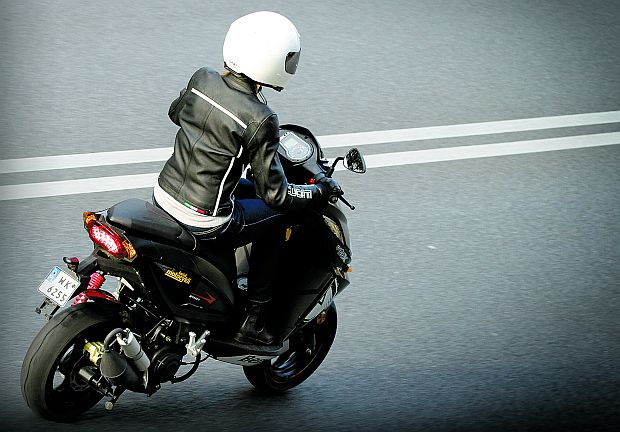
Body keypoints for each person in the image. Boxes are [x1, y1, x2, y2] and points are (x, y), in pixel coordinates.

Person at [153, 11, 339, 345]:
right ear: (272, 61)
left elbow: (175, 113)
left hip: (163, 194)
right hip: (206, 220)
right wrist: (319, 191)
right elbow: (276, 196)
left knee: (248, 191)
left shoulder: (202, 78)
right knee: (282, 216)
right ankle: (254, 319)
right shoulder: (260, 117)